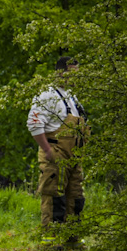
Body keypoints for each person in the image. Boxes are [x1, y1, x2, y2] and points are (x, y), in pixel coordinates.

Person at [28, 53, 88, 234]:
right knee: (54, 198)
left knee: (76, 198)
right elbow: (34, 123)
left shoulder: (72, 98)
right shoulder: (47, 96)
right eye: (72, 73)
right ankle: (51, 239)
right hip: (56, 154)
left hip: (74, 158)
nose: (75, 78)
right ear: (60, 73)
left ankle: (72, 237)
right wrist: (47, 150)